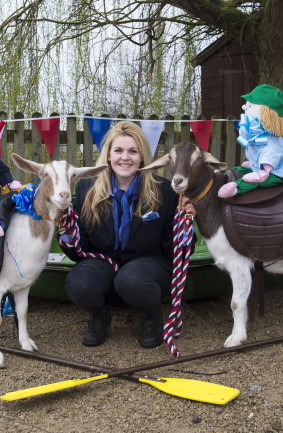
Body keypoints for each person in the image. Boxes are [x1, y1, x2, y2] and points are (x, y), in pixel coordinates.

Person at [59, 121, 192, 349]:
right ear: (108, 155)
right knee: (78, 283)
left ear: (142, 156)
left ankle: (151, 316)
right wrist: (65, 229)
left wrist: (185, 225)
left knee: (132, 280)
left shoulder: (165, 190)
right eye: (118, 150)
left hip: (148, 263)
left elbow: (174, 248)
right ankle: (100, 316)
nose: (125, 157)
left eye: (133, 151)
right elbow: (79, 249)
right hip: (103, 260)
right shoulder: (85, 189)